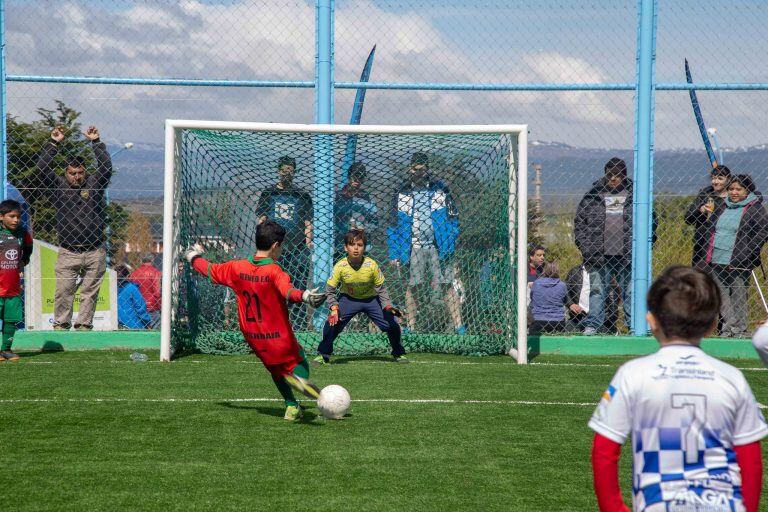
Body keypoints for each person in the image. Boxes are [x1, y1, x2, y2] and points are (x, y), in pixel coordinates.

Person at [589, 266, 766, 512]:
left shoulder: (632, 374)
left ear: (651, 320)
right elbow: (751, 460)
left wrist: (615, 509)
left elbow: (604, 451)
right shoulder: (732, 378)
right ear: (713, 324)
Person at [184, 220, 327, 421]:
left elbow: (210, 270)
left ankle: (291, 406)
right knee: (299, 360)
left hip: (253, 336)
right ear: (276, 245)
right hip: (279, 336)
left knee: (275, 369)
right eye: (282, 245)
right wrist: (305, 296)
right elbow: (288, 291)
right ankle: (298, 382)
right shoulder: (274, 271)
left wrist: (192, 256)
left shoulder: (237, 267)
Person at [36, 125, 113, 331]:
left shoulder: (94, 185)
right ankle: (61, 324)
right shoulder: (59, 187)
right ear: (65, 173)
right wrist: (54, 143)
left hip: (94, 249)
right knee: (64, 290)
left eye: (79, 173)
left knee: (90, 291)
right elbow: (42, 169)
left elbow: (105, 168)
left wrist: (95, 143)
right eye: (72, 173)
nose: (76, 177)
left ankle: (84, 325)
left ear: (85, 172)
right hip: (68, 250)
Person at [574, 157, 657, 335]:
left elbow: (652, 221)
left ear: (624, 176)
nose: (613, 178)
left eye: (617, 175)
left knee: (631, 292)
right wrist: (585, 247)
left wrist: (645, 247)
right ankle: (593, 325)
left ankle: (634, 326)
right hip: (598, 254)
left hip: (627, 255)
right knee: (597, 291)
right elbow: (580, 223)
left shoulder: (637, 194)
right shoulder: (593, 195)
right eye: (610, 174)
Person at [387, 152, 465, 334]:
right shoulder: (401, 192)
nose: (419, 172)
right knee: (413, 287)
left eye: (423, 169)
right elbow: (392, 226)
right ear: (410, 169)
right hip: (412, 247)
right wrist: (394, 253)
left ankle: (459, 326)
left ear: (428, 169)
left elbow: (454, 219)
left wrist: (450, 242)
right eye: (416, 169)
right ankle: (411, 327)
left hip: (440, 247)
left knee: (447, 285)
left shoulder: (440, 189)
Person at [314, 229, 406, 364]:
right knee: (332, 323)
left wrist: (387, 306)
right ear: (346, 247)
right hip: (348, 299)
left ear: (364, 247)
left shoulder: (372, 265)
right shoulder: (340, 266)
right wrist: (334, 307)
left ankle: (398, 353)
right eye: (352, 245)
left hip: (371, 300)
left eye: (360, 245)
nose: (356, 248)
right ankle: (324, 354)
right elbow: (330, 290)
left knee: (391, 323)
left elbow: (382, 289)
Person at [703, 174, 768, 338]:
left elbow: (762, 231)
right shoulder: (723, 206)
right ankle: (728, 327)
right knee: (722, 294)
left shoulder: (755, 208)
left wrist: (750, 251)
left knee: (738, 294)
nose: (734, 192)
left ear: (747, 190)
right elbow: (712, 227)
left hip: (739, 258)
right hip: (718, 256)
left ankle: (740, 329)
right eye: (731, 189)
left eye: (738, 189)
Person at [255, 156, 313, 331]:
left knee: (297, 289)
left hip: (298, 251)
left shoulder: (302, 195)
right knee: (272, 289)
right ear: (278, 171)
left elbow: (308, 223)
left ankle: (299, 328)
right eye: (284, 170)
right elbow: (262, 220)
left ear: (294, 172)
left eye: (290, 170)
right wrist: (262, 246)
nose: (287, 173)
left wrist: (309, 243)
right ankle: (271, 326)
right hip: (274, 251)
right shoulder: (269, 193)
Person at [0, 200, 32, 361]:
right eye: (11, 216)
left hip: (12, 286)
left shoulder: (21, 233)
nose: (16, 220)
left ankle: (5, 349)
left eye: (18, 217)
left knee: (11, 319)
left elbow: (28, 247)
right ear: (1, 217)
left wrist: (24, 260)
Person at [684, 165, 731, 269]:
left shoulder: (733, 198)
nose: (715, 181)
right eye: (713, 178)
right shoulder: (705, 195)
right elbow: (688, 218)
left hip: (724, 245)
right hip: (702, 244)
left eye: (720, 178)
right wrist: (701, 210)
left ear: (728, 179)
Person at [334, 162, 378, 257]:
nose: (357, 179)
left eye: (361, 176)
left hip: (362, 249)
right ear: (349, 176)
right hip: (342, 247)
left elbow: (374, 222)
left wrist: (363, 228)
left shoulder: (368, 198)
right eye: (354, 175)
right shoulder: (337, 197)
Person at [565, 262, 619, 333]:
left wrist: (611, 318)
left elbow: (613, 296)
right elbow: (565, 290)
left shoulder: (605, 273)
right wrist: (571, 304)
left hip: (601, 319)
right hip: (578, 317)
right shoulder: (574, 271)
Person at [529, 262, 568, 334]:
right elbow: (565, 300)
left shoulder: (536, 283)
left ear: (544, 271)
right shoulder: (562, 285)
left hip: (538, 319)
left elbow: (532, 297)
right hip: (558, 320)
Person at [129, 253, 162, 328]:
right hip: (152, 305)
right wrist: (160, 306)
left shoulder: (134, 273)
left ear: (141, 261)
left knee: (142, 327)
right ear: (152, 260)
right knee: (157, 328)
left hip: (137, 305)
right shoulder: (155, 272)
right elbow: (157, 292)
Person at [116, 264, 152, 330]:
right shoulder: (132, 288)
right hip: (135, 326)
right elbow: (140, 307)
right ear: (128, 276)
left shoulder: (111, 289)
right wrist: (148, 322)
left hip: (117, 325)